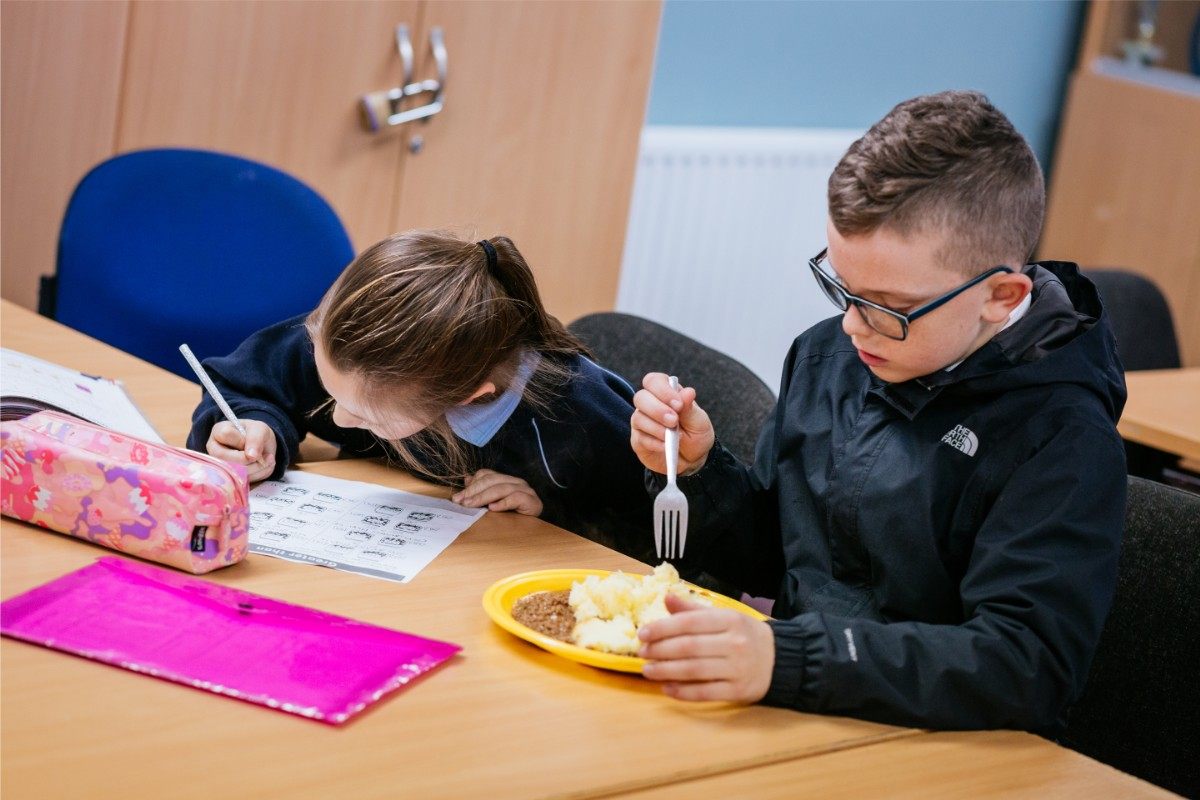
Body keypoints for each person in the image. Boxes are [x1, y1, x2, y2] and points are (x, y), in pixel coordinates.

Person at [629, 90, 1127, 731]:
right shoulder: (826, 357)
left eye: (888, 307)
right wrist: (698, 472)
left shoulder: (1060, 438)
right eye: (841, 286)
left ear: (1002, 297)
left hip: (945, 748)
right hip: (808, 707)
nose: (851, 325)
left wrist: (789, 659)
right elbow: (772, 555)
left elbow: (1022, 666)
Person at [187, 230, 653, 559]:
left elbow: (668, 550)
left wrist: (554, 515)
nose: (340, 420)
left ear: (469, 397)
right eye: (330, 388)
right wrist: (254, 422)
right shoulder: (357, 352)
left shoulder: (584, 417)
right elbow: (246, 380)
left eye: (368, 416)